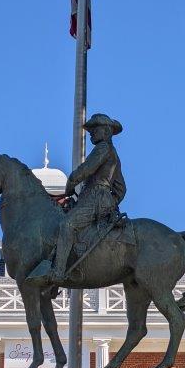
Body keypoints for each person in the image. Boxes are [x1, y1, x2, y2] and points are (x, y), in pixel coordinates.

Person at [49, 113, 126, 284]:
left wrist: (71, 182)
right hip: (99, 199)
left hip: (95, 197)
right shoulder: (113, 154)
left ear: (105, 131)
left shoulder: (103, 148)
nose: (91, 133)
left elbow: (86, 170)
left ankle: (59, 271)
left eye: (94, 129)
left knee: (67, 225)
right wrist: (111, 203)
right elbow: (121, 188)